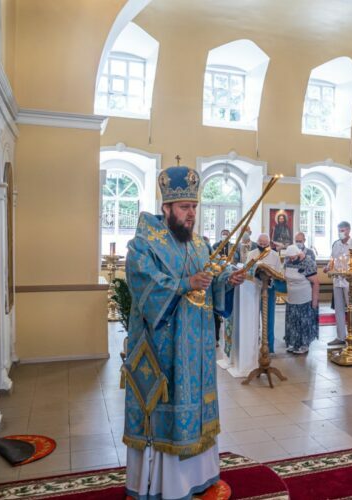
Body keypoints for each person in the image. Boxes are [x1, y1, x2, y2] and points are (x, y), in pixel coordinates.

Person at [123, 165, 245, 500]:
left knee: (197, 406)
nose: (191, 214)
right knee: (170, 409)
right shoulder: (143, 244)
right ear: (166, 208)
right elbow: (144, 286)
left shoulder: (199, 244)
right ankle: (165, 485)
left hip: (198, 347)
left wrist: (224, 281)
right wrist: (184, 284)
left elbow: (206, 280)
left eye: (194, 207)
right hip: (164, 349)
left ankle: (201, 475)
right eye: (184, 207)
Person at [324, 221, 352, 346]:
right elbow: (332, 260)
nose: (341, 232)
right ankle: (340, 336)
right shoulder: (336, 245)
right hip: (337, 281)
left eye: (343, 230)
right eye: (339, 230)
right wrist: (327, 267)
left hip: (350, 282)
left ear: (349, 230)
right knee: (339, 309)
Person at [282, 244, 320, 354]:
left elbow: (316, 282)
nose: (291, 259)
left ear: (298, 254)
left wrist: (315, 300)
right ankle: (294, 343)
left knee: (304, 322)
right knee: (292, 322)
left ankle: (304, 345)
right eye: (289, 257)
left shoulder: (308, 262)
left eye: (293, 257)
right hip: (291, 299)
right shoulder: (287, 261)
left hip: (305, 299)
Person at [248, 234, 282, 354]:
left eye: (265, 243)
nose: (262, 245)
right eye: (260, 243)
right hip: (254, 290)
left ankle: (269, 348)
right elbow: (247, 271)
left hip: (269, 290)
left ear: (269, 243)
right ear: (257, 242)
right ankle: (252, 347)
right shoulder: (251, 254)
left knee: (269, 319)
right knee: (253, 319)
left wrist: (270, 276)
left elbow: (278, 272)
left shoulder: (274, 255)